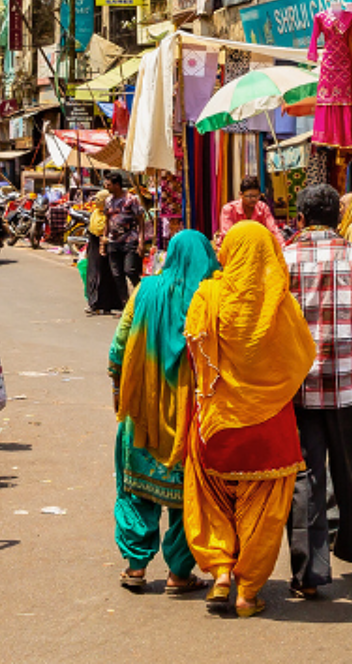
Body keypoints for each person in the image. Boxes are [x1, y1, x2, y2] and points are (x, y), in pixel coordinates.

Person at [172, 222, 315, 619]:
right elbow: (302, 357)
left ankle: (220, 573)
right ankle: (247, 592)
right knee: (264, 512)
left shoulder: (207, 295)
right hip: (269, 429)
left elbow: (193, 351)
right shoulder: (281, 304)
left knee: (210, 500)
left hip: (215, 425)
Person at [282, 183, 352, 597]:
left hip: (298, 387)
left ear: (301, 217)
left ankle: (307, 575)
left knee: (306, 478)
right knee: (351, 473)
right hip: (350, 386)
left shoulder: (284, 258)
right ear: (338, 217)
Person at [108, 230, 220, 596]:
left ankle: (135, 567)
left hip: (142, 410)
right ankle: (178, 573)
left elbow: (119, 347)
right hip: (191, 413)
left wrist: (118, 392)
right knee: (189, 494)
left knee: (135, 489)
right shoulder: (209, 297)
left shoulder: (145, 290)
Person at [98, 171, 146, 315]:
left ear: (117, 185)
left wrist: (141, 241)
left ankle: (142, 297)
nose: (106, 187)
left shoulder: (131, 199)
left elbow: (140, 220)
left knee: (130, 270)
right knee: (117, 274)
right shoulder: (108, 201)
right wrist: (103, 242)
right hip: (113, 242)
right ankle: (127, 305)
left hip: (130, 240)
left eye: (108, 184)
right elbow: (107, 221)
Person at [218, 178, 281, 243]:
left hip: (255, 247)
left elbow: (273, 231)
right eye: (250, 196)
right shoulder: (229, 209)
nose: (254, 199)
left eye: (256, 196)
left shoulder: (263, 208)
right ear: (241, 195)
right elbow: (228, 235)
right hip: (233, 247)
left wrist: (283, 248)